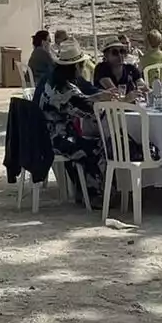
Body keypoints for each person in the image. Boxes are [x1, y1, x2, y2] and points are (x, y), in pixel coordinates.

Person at [37, 42, 120, 205]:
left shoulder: (54, 81)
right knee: (98, 147)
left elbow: (83, 98)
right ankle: (94, 195)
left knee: (90, 142)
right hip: (55, 139)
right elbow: (87, 109)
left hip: (45, 133)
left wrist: (100, 96)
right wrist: (106, 99)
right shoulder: (65, 89)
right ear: (76, 67)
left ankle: (84, 190)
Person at [26, 29, 54, 97]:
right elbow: (54, 67)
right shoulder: (43, 53)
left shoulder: (36, 50)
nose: (50, 43)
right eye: (49, 40)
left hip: (31, 80)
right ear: (43, 42)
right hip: (38, 81)